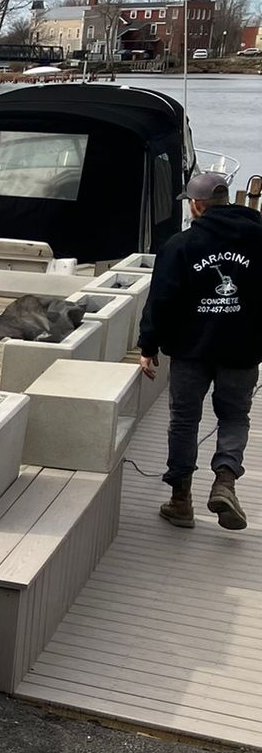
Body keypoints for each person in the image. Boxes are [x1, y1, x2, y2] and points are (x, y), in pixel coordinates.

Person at [138, 170, 262, 530]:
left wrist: (148, 344)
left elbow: (161, 300)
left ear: (196, 205)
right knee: (235, 417)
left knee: (184, 421)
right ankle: (225, 481)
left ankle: (181, 502)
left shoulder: (180, 245)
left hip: (190, 351)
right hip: (243, 350)